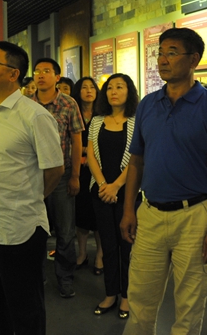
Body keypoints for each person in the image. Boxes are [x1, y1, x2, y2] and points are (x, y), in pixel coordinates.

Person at [120, 27, 207, 335]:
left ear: (194, 59)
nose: (162, 60)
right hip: (150, 214)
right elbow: (136, 162)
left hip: (195, 217)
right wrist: (129, 210)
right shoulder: (147, 104)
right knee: (140, 302)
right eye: (160, 53)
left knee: (189, 307)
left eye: (172, 53)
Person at [0, 41, 64, 335]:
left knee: (25, 312)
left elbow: (55, 170)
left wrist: (28, 199)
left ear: (13, 74)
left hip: (19, 229)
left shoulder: (34, 116)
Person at [86, 73, 138, 319]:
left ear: (129, 92)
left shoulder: (137, 122)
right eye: (109, 88)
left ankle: (127, 295)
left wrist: (116, 186)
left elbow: (137, 158)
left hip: (128, 193)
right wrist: (103, 185)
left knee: (127, 246)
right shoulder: (97, 121)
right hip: (101, 191)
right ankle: (110, 293)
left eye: (119, 87)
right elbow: (91, 155)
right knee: (107, 246)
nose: (113, 92)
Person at [32, 57, 84, 298]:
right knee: (35, 229)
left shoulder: (68, 103)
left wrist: (75, 176)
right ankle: (37, 275)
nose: (40, 75)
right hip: (33, 176)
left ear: (57, 76)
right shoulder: (26, 104)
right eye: (37, 71)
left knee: (65, 230)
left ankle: (65, 277)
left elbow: (76, 140)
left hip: (62, 176)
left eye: (46, 71)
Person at [71, 77, 104, 275]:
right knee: (81, 214)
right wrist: (83, 152)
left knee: (98, 215)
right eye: (84, 87)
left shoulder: (102, 113)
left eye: (92, 87)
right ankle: (82, 254)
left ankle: (100, 255)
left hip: (99, 170)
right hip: (78, 170)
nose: (89, 90)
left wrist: (86, 151)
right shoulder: (73, 112)